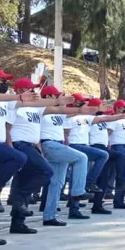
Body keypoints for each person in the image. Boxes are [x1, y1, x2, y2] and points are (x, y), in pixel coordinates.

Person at [6, 79, 81, 231]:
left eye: (34, 89)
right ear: (20, 90)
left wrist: (78, 108)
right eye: (30, 89)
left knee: (24, 180)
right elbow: (7, 129)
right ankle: (16, 199)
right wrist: (10, 148)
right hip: (19, 145)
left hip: (32, 146)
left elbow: (59, 111)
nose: (34, 91)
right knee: (45, 171)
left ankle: (18, 222)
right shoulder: (14, 106)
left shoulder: (36, 109)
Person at [0, 68, 31, 245]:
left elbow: (31, 104)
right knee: (19, 158)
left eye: (3, 80)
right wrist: (17, 97)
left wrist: (57, 102)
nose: (2, 83)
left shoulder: (4, 101)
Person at [38, 85, 95, 222]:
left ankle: (49, 217)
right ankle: (77, 192)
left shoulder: (59, 113)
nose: (59, 97)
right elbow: (58, 108)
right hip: (49, 144)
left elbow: (67, 111)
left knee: (57, 183)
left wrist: (81, 109)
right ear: (48, 97)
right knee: (82, 157)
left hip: (58, 144)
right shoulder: (42, 109)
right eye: (56, 95)